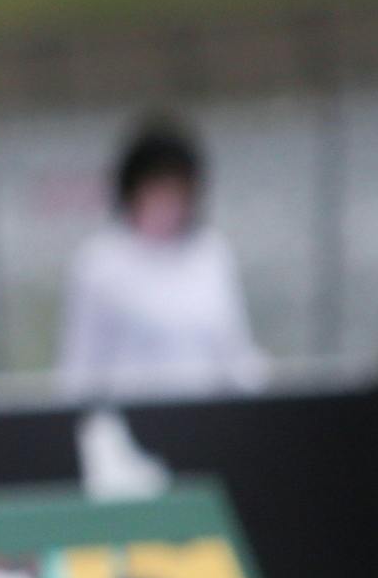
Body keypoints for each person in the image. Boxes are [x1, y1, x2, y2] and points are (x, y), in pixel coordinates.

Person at [55, 117, 263, 403]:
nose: (166, 203)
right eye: (156, 190)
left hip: (205, 421)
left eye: (176, 191)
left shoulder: (211, 254)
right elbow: (80, 367)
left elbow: (235, 353)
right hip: (133, 426)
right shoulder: (100, 262)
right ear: (133, 192)